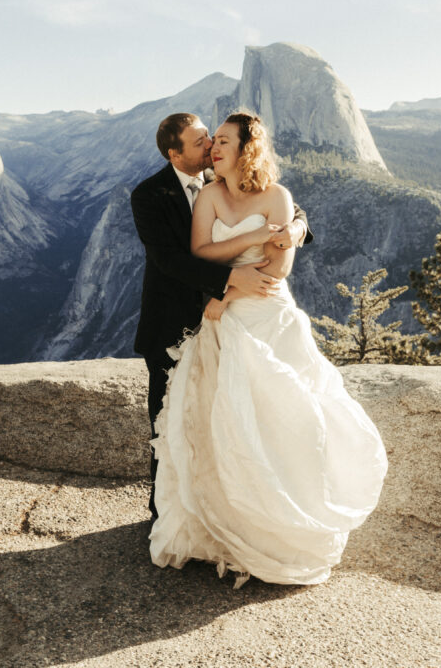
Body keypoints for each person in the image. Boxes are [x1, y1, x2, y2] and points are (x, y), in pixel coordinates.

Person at [148, 111, 387, 587]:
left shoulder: (278, 196)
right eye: (208, 142)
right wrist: (254, 240)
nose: (213, 148)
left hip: (266, 313)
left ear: (246, 148)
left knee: (286, 416)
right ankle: (224, 523)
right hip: (219, 319)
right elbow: (192, 255)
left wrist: (229, 292)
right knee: (223, 421)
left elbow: (278, 269)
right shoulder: (203, 194)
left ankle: (280, 523)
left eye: (221, 141)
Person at [131, 112, 311, 518]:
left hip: (233, 319)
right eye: (200, 143)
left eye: (211, 137)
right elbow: (170, 260)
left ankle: (239, 510)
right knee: (171, 418)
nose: (211, 145)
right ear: (175, 155)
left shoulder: (221, 178)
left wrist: (297, 229)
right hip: (173, 323)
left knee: (234, 419)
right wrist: (230, 282)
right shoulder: (148, 195)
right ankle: (168, 514)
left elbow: (286, 208)